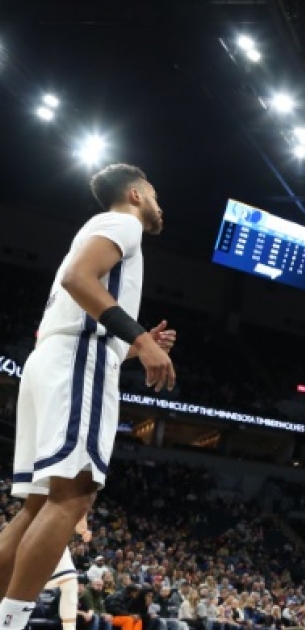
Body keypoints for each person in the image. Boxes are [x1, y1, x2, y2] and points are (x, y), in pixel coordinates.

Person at [0, 164, 176, 630]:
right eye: (154, 195)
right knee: (73, 495)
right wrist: (139, 338)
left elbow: (83, 302)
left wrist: (131, 344)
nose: (159, 205)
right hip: (76, 359)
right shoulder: (123, 223)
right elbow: (79, 279)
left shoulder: (100, 228)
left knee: (37, 507)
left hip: (54, 358)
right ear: (135, 194)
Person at [45, 515, 94, 630]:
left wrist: (83, 530)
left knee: (71, 582)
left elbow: (78, 513)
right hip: (33, 538)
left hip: (57, 544)